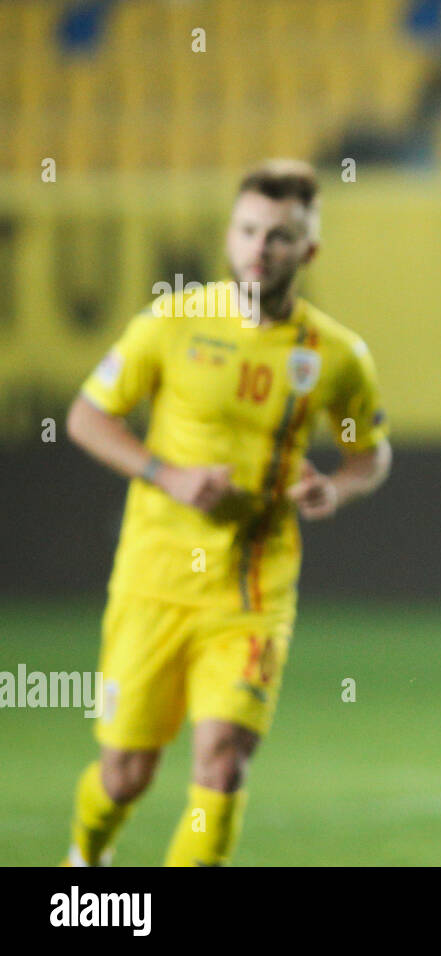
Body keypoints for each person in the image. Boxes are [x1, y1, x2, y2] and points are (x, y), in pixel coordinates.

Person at [62, 159, 392, 866]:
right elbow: (87, 417)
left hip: (253, 589)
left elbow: (370, 453)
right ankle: (85, 864)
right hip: (154, 579)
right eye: (247, 230)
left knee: (222, 763)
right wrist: (165, 474)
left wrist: (339, 488)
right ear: (228, 235)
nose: (258, 247)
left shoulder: (336, 356)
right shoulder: (172, 322)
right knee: (124, 775)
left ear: (308, 251)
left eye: (279, 235)